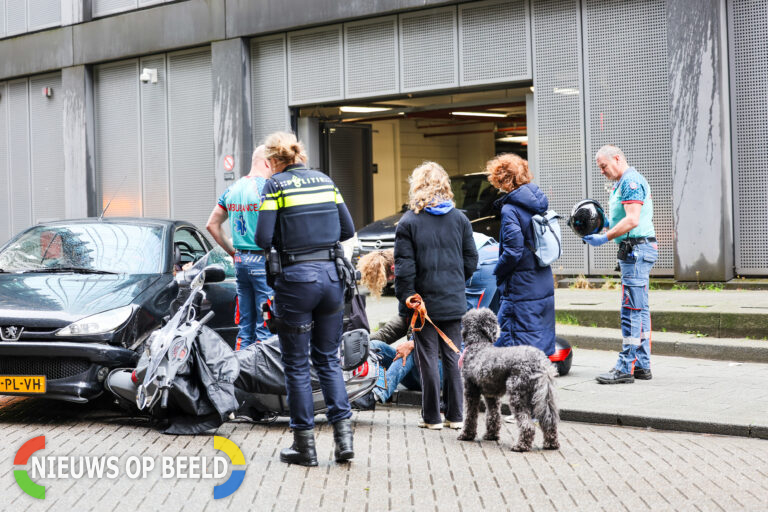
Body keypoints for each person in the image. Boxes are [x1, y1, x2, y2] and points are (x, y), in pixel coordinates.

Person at [255, 131, 355, 466]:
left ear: (272, 160)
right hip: (331, 279)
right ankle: (344, 442)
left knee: (297, 365)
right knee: (328, 360)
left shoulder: (275, 185)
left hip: (296, 282)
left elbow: (262, 238)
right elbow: (347, 229)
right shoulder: (325, 180)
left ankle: (305, 447)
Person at [394, 161, 478, 430]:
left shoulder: (408, 222)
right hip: (453, 299)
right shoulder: (460, 219)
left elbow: (405, 269)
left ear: (417, 186)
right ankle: (456, 415)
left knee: (427, 357)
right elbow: (471, 260)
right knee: (454, 356)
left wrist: (407, 301)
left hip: (423, 304)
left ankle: (432, 417)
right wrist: (455, 282)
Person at [583, 145, 657, 384]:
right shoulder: (622, 183)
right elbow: (621, 216)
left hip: (635, 251)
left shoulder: (630, 181)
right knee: (640, 309)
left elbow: (633, 219)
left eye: (603, 166)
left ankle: (625, 367)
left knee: (631, 310)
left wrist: (604, 237)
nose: (602, 171)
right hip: (636, 250)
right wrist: (604, 222)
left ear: (617, 158)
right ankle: (642, 365)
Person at [486, 153, 556, 356]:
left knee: (513, 338)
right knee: (538, 334)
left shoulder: (511, 209)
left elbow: (513, 251)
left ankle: (517, 383)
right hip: (541, 277)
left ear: (503, 179)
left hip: (520, 284)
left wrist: (498, 271)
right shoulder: (538, 202)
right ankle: (540, 380)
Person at [206, 146, 273, 350]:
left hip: (241, 262)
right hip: (263, 262)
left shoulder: (233, 189)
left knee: (245, 328)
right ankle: (264, 377)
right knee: (266, 326)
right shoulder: (267, 188)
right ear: (267, 162)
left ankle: (241, 375)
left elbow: (212, 224)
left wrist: (234, 253)